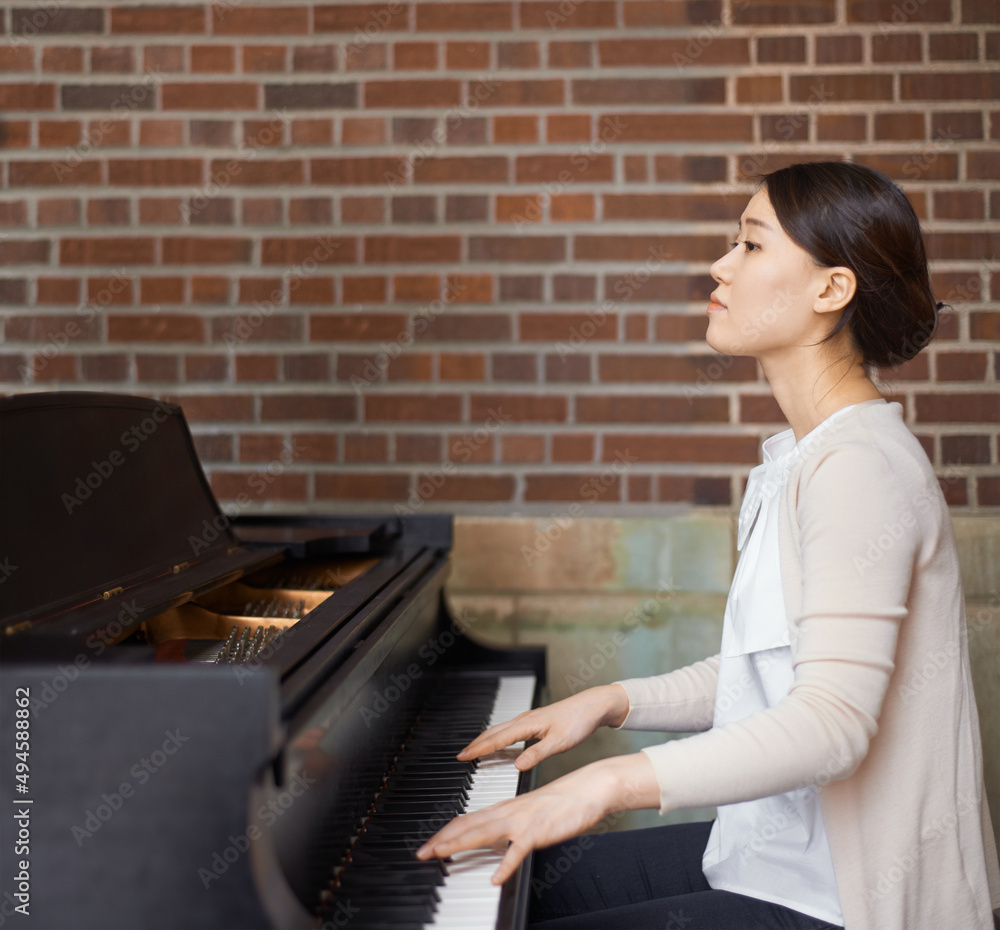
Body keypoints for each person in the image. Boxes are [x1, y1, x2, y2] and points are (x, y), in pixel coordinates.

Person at [417, 161, 1000, 929]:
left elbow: (832, 724)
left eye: (752, 247)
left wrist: (606, 785)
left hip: (847, 902)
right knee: (494, 882)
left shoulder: (858, 469)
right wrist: (611, 701)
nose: (720, 266)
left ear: (832, 290)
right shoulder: (803, 457)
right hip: (768, 856)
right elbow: (773, 667)